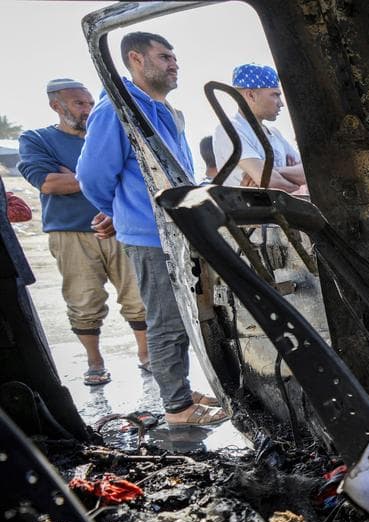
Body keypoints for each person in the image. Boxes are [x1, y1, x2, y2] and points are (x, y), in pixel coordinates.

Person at [77, 31, 227, 425]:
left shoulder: (166, 111)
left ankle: (179, 389)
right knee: (166, 320)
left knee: (190, 318)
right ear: (136, 59)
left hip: (178, 230)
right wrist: (121, 211)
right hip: (149, 235)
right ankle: (177, 409)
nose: (174, 64)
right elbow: (92, 176)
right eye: (164, 57)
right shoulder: (117, 110)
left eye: (174, 57)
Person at [18, 78, 150, 386]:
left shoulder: (107, 135)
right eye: (79, 104)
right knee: (83, 300)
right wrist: (98, 174)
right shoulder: (37, 139)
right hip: (70, 233)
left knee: (137, 296)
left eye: (90, 103)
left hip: (121, 226)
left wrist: (77, 177)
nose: (88, 110)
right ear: (56, 106)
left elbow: (134, 176)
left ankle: (146, 355)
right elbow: (48, 183)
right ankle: (94, 361)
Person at [211, 63, 305, 191]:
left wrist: (274, 171)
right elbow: (270, 181)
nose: (281, 104)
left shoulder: (275, 134)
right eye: (275, 95)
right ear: (251, 95)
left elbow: (308, 173)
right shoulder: (230, 129)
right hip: (249, 210)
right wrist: (296, 184)